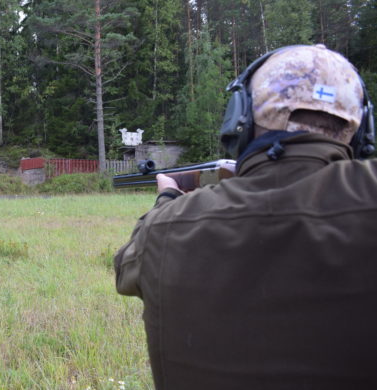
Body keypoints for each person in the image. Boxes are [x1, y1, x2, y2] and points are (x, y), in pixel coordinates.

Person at [114, 44, 377, 390]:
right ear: (361, 131)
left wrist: (168, 201)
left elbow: (126, 269)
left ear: (240, 117)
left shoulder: (165, 227)